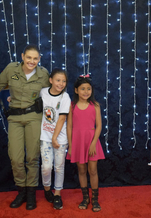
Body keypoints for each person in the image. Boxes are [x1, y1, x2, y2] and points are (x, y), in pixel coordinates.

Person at [0, 44, 50, 210]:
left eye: (35, 58)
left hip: (34, 117)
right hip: (15, 118)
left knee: (32, 157)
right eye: (29, 57)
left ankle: (31, 194)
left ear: (39, 59)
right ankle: (21, 191)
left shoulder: (43, 74)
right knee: (15, 158)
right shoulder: (11, 69)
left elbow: (51, 94)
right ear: (22, 56)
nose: (31, 61)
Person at [66, 74, 105, 212]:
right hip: (77, 142)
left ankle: (95, 199)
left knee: (92, 171)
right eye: (83, 89)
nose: (86, 92)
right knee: (81, 170)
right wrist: (70, 146)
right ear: (76, 90)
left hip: (91, 141)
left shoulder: (95, 105)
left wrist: (94, 143)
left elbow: (99, 126)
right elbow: (69, 126)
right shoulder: (72, 106)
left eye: (88, 89)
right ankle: (85, 198)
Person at [40, 68, 71, 210]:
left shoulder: (65, 97)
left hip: (60, 139)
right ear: (51, 80)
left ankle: (57, 194)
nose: (61, 83)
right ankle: (47, 190)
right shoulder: (43, 92)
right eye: (58, 80)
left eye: (64, 81)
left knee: (59, 167)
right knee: (46, 167)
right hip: (45, 137)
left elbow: (62, 118)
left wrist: (55, 138)